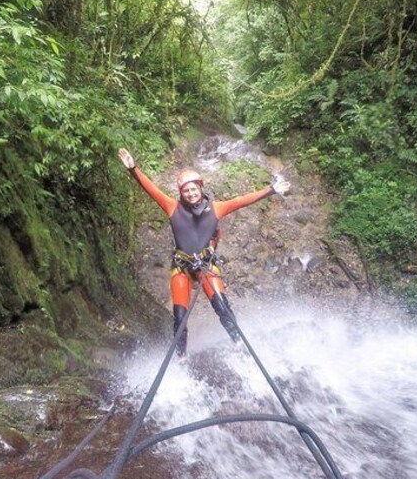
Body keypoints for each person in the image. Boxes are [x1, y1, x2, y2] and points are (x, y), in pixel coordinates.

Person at [118, 147, 290, 357]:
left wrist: (271, 189)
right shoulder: (172, 207)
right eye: (186, 191)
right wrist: (133, 169)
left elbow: (242, 200)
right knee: (180, 317)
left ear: (200, 188)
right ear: (181, 193)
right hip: (181, 267)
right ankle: (181, 358)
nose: (190, 194)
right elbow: (151, 190)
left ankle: (239, 345)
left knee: (222, 307)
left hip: (205, 266)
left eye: (194, 189)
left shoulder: (216, 208)